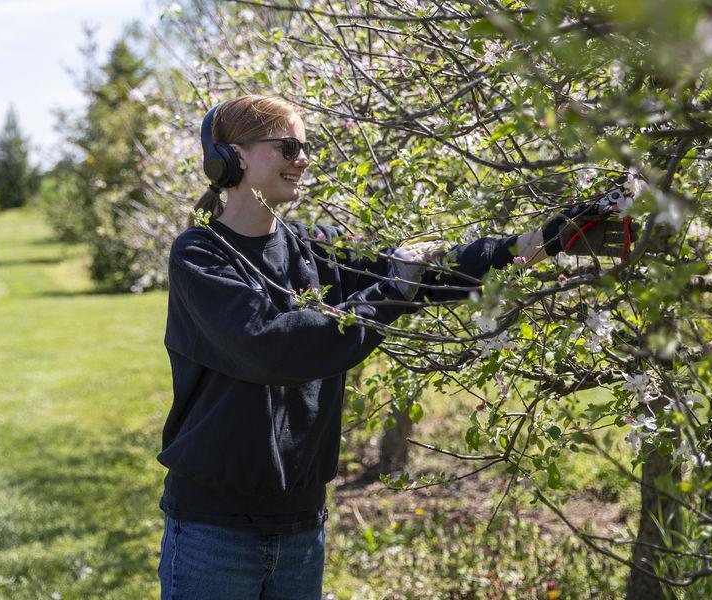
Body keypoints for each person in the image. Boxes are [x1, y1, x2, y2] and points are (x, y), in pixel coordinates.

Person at [157, 94, 635, 599]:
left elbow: (421, 275)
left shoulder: (309, 247)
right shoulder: (200, 255)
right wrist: (392, 293)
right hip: (214, 529)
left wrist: (532, 243)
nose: (304, 159)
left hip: (300, 523)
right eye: (289, 146)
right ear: (233, 155)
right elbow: (272, 348)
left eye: (306, 147)